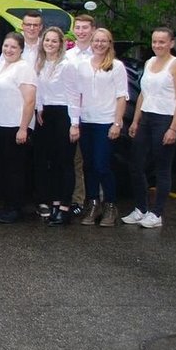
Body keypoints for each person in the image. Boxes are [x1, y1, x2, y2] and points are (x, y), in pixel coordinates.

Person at [126, 27, 176, 229]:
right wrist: (136, 121)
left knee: (162, 169)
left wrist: (173, 128)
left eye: (162, 42)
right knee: (136, 165)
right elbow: (144, 94)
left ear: (171, 43)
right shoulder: (149, 62)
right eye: (154, 41)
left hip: (165, 119)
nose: (157, 45)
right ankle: (141, 209)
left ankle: (157, 213)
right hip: (146, 118)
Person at [72, 27, 128, 227]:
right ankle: (93, 204)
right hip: (87, 121)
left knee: (102, 165)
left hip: (106, 122)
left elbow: (122, 96)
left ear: (109, 43)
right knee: (88, 166)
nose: (99, 44)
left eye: (103, 41)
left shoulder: (116, 66)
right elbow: (76, 95)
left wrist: (117, 122)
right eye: (96, 40)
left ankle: (110, 206)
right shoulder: (82, 66)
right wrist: (75, 122)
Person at [0, 32, 37, 223]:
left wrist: (23, 128)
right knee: (3, 167)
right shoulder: (1, 64)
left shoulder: (24, 69)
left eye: (13, 47)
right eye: (6, 46)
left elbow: (30, 100)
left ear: (21, 50)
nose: (9, 50)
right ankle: (7, 205)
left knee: (15, 169)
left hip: (16, 126)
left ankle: (15, 208)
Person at [34, 26, 79, 225]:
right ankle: (54, 203)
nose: (49, 44)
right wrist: (39, 108)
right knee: (49, 162)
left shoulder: (67, 65)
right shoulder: (41, 63)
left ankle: (65, 207)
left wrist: (75, 124)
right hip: (46, 115)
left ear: (61, 44)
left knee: (65, 163)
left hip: (64, 115)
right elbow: (39, 90)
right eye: (47, 40)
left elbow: (73, 95)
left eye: (54, 41)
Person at [65, 14, 96, 213]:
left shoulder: (100, 54)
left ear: (93, 30)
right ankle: (78, 199)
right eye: (78, 27)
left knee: (94, 159)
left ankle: (96, 197)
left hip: (95, 114)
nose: (81, 31)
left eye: (85, 28)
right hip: (72, 114)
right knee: (75, 159)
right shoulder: (68, 56)